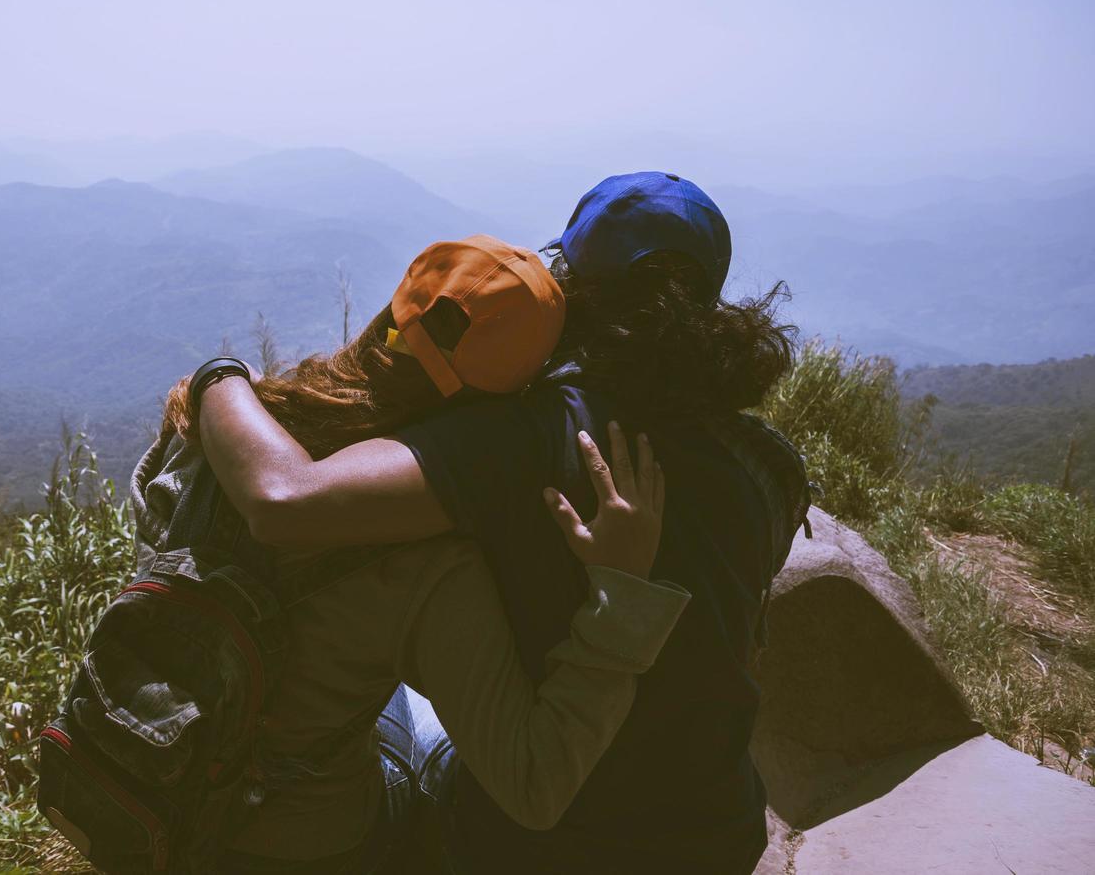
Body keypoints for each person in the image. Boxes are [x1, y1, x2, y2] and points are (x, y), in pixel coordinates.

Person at [196, 173, 801, 873]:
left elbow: (286, 501)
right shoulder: (767, 465)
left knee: (402, 698)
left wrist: (219, 375)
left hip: (544, 844)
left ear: (572, 285)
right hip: (716, 835)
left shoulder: (527, 438)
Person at [139, 235, 692, 872]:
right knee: (428, 721)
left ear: (397, 313)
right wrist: (621, 594)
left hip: (160, 774)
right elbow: (535, 785)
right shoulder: (430, 563)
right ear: (514, 399)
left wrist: (222, 379)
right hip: (302, 846)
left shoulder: (223, 432)